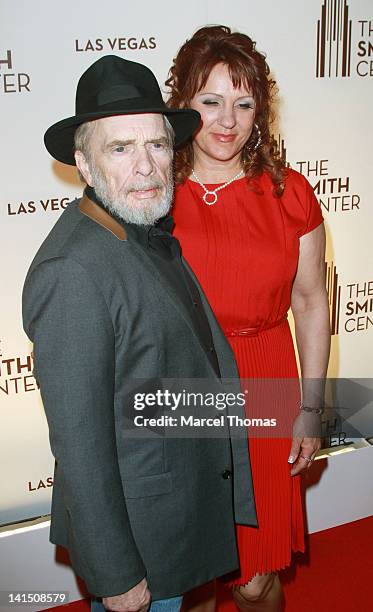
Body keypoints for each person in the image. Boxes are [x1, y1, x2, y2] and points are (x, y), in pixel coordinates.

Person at [22, 55, 258, 612]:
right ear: (83, 161)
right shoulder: (73, 271)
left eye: (155, 144)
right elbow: (81, 445)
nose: (147, 166)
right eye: (120, 148)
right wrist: (117, 574)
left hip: (175, 518)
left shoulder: (139, 228)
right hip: (140, 547)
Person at [166, 26, 331, 611]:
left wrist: (312, 406)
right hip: (181, 384)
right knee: (192, 576)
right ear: (182, 103)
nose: (227, 120)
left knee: (254, 577)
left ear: (261, 108)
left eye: (243, 102)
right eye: (209, 101)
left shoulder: (290, 193)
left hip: (263, 379)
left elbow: (312, 303)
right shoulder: (154, 194)